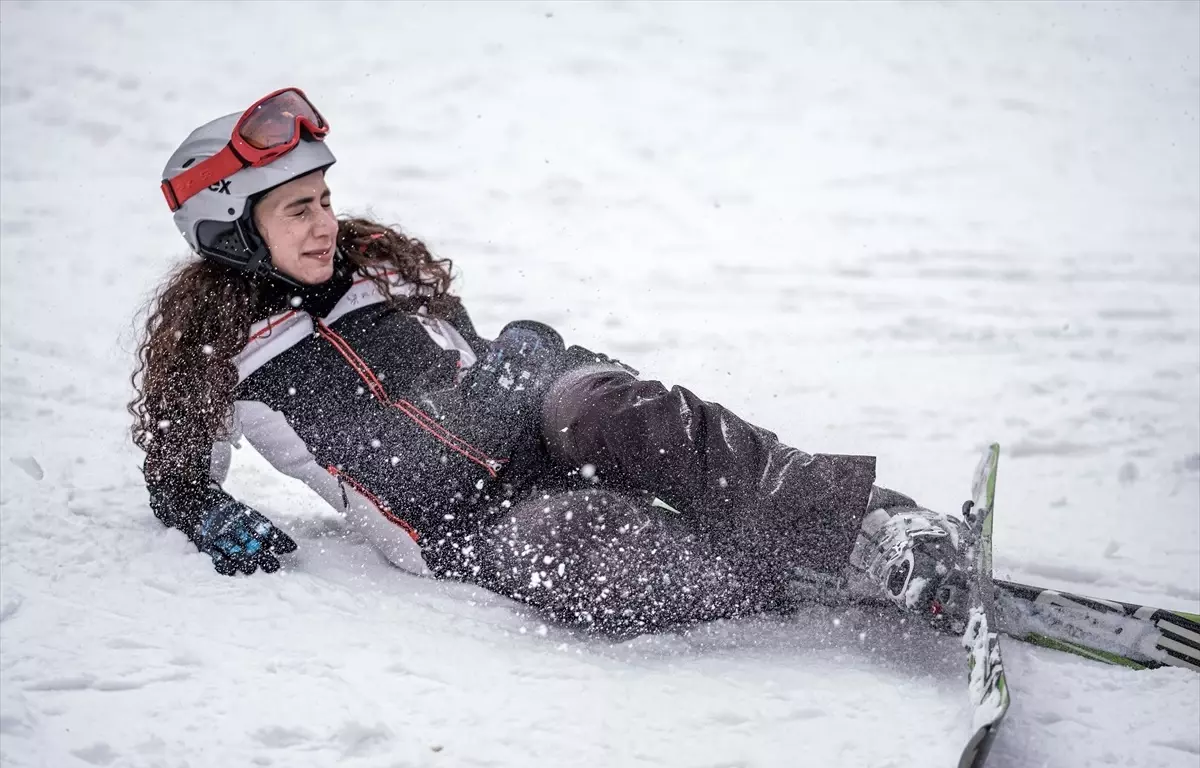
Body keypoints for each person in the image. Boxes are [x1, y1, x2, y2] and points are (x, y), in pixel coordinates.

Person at [131, 87, 970, 638]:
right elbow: (174, 470)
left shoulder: (377, 262)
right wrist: (203, 513)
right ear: (231, 229)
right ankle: (783, 578)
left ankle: (865, 523)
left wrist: (538, 352)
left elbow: (488, 356)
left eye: (324, 200)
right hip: (458, 524)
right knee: (585, 543)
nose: (323, 224)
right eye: (295, 211)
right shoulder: (213, 355)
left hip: (524, 424)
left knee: (606, 407)